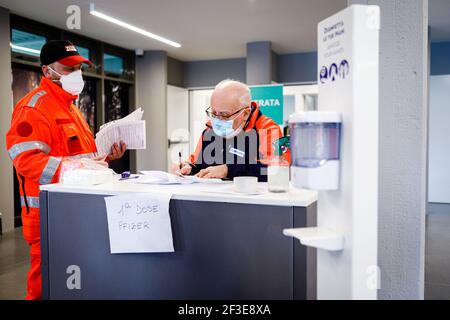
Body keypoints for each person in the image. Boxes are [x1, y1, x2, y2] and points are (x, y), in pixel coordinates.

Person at [5, 40, 126, 300]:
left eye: (78, 68)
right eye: (68, 69)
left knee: (72, 285)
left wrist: (105, 156)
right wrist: (78, 167)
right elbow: (26, 161)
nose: (76, 75)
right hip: (48, 215)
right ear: (48, 71)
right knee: (45, 288)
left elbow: (81, 157)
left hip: (77, 210)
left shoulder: (71, 108)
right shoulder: (33, 108)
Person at [175, 79, 290, 181]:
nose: (217, 120)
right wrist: (190, 167)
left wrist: (227, 169)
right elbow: (198, 162)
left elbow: (276, 170)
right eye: (214, 113)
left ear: (245, 113)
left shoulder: (268, 129)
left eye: (224, 115)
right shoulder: (209, 130)